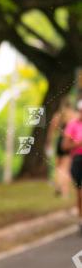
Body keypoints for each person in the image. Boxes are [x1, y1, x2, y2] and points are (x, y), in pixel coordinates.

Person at [46, 97, 76, 197]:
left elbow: (51, 132)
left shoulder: (57, 116)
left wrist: (49, 144)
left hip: (59, 142)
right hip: (68, 143)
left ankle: (58, 185)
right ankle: (64, 191)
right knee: (66, 168)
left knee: (58, 167)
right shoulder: (73, 115)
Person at [62, 99, 82, 233]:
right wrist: (78, 143)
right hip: (78, 160)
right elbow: (65, 146)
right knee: (80, 193)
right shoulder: (73, 125)